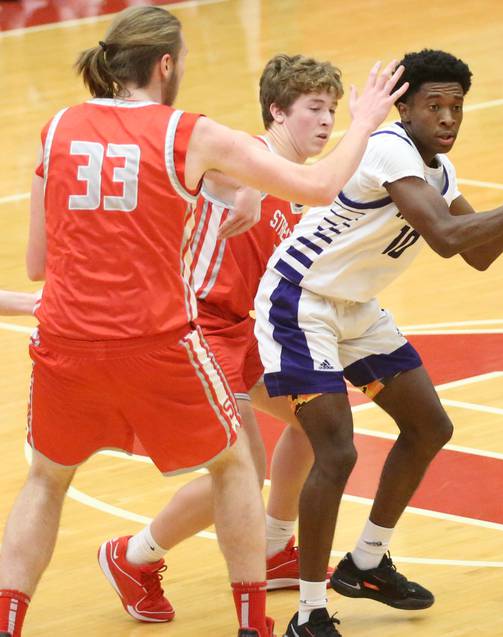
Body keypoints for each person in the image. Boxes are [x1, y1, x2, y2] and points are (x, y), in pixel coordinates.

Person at [0, 6, 405, 637]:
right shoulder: (190, 134)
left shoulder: (57, 128)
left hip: (74, 339)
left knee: (47, 481)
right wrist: (369, 120)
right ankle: (226, 609)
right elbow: (322, 184)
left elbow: (37, 265)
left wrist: (226, 183)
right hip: (170, 334)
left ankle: (9, 621)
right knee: (235, 464)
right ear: (167, 65)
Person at [253, 48, 503, 636]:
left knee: (430, 426)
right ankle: (308, 614)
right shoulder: (388, 147)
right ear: (403, 107)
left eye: (457, 106)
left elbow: (478, 253)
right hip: (300, 300)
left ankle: (367, 563)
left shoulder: (439, 170)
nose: (449, 117)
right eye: (434, 104)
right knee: (336, 452)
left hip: (353, 307)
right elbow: (445, 235)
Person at [99, 53, 343, 623]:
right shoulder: (242, 156)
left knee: (317, 420)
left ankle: (277, 545)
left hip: (251, 331)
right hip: (202, 327)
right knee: (241, 473)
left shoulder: (301, 187)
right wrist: (247, 178)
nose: (328, 120)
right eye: (315, 108)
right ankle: (133, 556)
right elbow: (205, 163)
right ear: (278, 112)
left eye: (333, 109)